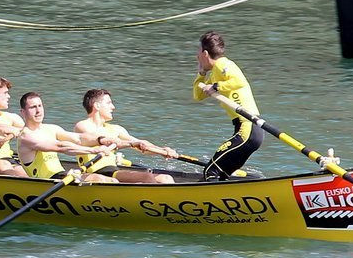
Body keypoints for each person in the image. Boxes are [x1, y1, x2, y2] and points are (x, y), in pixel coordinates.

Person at [193, 30, 264, 179]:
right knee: (222, 175)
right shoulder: (213, 73)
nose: (196, 56)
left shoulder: (223, 64)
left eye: (198, 52)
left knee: (210, 171)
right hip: (250, 131)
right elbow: (198, 96)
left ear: (205, 54)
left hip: (247, 127)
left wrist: (216, 87)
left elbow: (239, 82)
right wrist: (201, 74)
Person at [73, 88, 177, 183]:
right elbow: (99, 140)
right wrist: (131, 144)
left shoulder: (116, 128)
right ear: (97, 105)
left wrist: (162, 150)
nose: (113, 107)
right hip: (95, 173)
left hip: (113, 171)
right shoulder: (82, 126)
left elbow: (141, 145)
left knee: (166, 178)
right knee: (147, 178)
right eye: (109, 103)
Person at [16, 92, 118, 183]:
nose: (38, 111)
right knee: (99, 179)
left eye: (40, 106)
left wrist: (101, 140)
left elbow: (79, 138)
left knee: (112, 180)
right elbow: (61, 147)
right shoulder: (26, 137)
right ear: (23, 112)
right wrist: (94, 150)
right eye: (33, 107)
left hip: (60, 176)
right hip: (45, 181)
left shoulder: (52, 128)